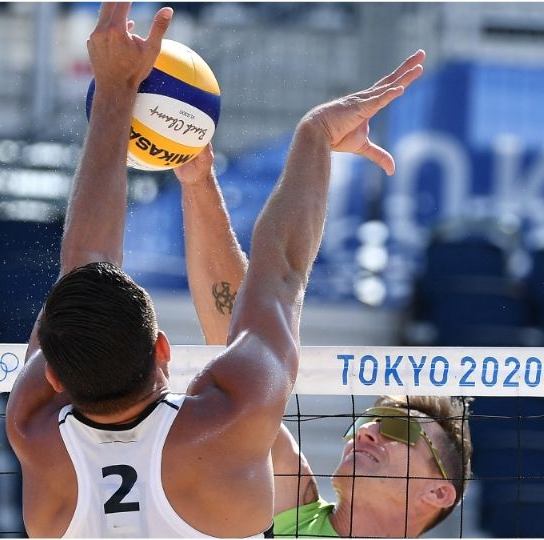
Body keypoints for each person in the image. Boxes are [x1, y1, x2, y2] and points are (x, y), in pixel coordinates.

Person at [5, 2, 422, 536]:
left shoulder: (31, 429)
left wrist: (113, 91)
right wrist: (315, 135)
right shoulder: (226, 420)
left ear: (55, 376)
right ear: (163, 348)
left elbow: (87, 264)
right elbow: (281, 272)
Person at [174, 51, 473, 538]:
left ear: (439, 493)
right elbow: (241, 343)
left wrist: (317, 135)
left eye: (399, 429)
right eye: (373, 419)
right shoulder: (298, 511)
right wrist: (198, 182)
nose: (367, 431)